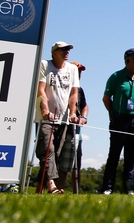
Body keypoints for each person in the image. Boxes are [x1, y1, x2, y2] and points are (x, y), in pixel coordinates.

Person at [101, 48, 134, 195]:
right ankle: (107, 187)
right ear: (127, 60)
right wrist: (113, 113)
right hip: (119, 118)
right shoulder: (116, 76)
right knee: (114, 154)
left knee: (131, 155)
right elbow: (106, 98)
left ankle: (128, 187)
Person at [36, 41, 80, 194]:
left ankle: (39, 190)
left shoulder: (73, 69)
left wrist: (73, 113)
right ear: (54, 52)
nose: (67, 52)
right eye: (63, 49)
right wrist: (45, 110)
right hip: (46, 118)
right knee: (48, 151)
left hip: (64, 118)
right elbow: (41, 90)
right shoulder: (44, 65)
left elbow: (74, 93)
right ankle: (51, 186)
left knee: (55, 155)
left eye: (68, 49)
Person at [70, 61, 89, 193]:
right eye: (77, 71)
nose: (79, 74)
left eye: (81, 72)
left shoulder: (80, 90)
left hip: (77, 132)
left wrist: (83, 117)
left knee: (77, 163)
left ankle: (75, 191)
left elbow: (84, 106)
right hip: (62, 129)